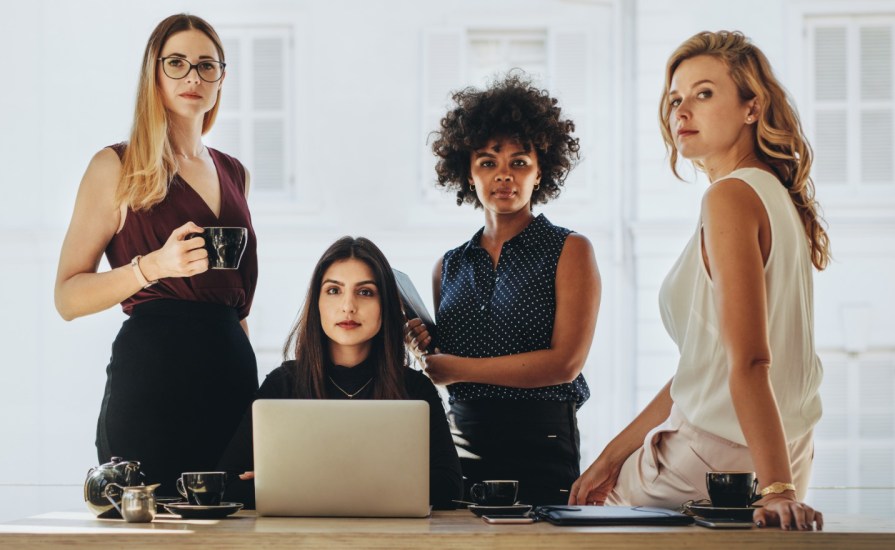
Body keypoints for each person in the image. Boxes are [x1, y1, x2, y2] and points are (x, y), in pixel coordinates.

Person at [569, 31, 828, 531]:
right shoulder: (776, 197)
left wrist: (777, 491)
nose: (682, 111)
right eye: (675, 99)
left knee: (586, 528)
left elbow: (751, 360)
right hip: (785, 449)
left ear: (752, 107)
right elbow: (704, 370)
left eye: (704, 93)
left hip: (714, 459)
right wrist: (611, 456)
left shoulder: (729, 197)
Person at [54, 14, 258, 497]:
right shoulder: (116, 166)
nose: (193, 76)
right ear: (155, 73)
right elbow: (67, 297)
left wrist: (255, 382)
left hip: (230, 371)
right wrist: (153, 267)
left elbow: (235, 301)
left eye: (207, 65)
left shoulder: (235, 172)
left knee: (239, 528)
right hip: (153, 376)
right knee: (151, 530)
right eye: (178, 63)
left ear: (221, 78)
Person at [405, 72, 602, 505]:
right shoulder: (448, 265)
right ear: (467, 173)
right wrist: (431, 349)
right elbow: (459, 358)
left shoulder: (570, 250)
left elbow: (564, 364)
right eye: (488, 162)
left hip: (543, 440)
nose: (504, 175)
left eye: (519, 162)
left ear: (541, 171)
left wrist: (457, 368)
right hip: (462, 438)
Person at [218, 237, 463, 509]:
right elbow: (227, 484)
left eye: (366, 292)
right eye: (334, 290)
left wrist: (296, 483)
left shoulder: (415, 388)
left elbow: (449, 488)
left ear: (386, 306)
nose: (348, 306)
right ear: (317, 302)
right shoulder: (283, 384)